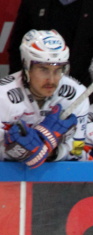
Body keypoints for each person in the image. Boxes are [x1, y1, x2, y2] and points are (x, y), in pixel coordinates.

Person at [1, 29, 87, 167]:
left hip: (56, 182)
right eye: (43, 69)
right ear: (26, 66)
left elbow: (77, 151)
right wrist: (21, 151)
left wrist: (49, 150)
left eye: (58, 70)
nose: (52, 80)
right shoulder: (3, 96)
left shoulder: (76, 95)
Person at [8, 0, 93, 86]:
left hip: (86, 93)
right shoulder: (34, 3)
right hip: (36, 92)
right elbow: (17, 49)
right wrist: (20, 87)